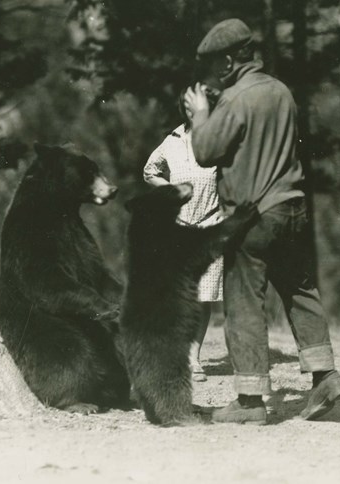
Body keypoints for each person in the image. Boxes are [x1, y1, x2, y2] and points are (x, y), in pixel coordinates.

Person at [184, 18, 340, 424]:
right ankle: (326, 376)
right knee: (299, 289)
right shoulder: (279, 91)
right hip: (292, 207)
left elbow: (204, 152)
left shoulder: (235, 100)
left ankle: (250, 401)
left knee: (242, 302)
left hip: (253, 215)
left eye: (210, 66)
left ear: (225, 63)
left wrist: (201, 115)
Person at [143, 89, 223, 382]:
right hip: (178, 226)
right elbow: (149, 171)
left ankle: (194, 358)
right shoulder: (172, 141)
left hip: (211, 224)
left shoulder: (220, 142)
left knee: (204, 297)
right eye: (188, 107)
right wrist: (169, 191)